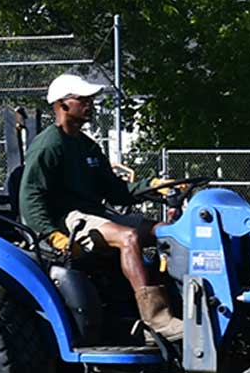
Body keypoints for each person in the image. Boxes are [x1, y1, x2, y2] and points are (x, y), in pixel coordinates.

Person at [18, 72, 184, 341]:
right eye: (83, 100)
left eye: (90, 100)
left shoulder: (87, 146)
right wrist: (53, 234)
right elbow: (30, 197)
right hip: (69, 219)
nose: (90, 105)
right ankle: (156, 321)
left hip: (95, 214)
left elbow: (115, 191)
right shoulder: (49, 145)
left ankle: (180, 304)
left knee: (165, 231)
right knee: (128, 237)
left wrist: (153, 185)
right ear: (62, 105)